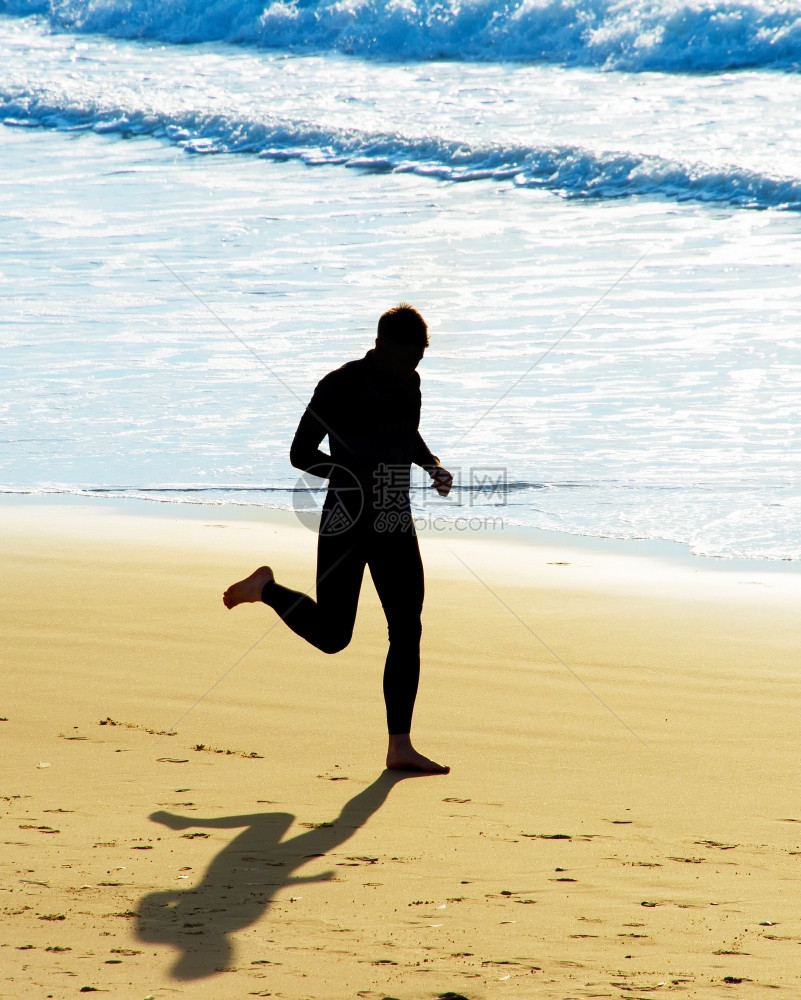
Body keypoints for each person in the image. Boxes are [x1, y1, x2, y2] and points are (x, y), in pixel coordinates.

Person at [223, 304, 453, 774]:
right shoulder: (339, 385)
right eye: (408, 357)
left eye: (419, 361)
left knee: (407, 627)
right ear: (382, 344)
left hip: (392, 516)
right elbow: (299, 453)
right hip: (345, 517)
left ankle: (399, 747)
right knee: (333, 636)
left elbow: (406, 436)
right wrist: (350, 475)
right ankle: (264, 588)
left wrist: (431, 465)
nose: (413, 368)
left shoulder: (410, 383)